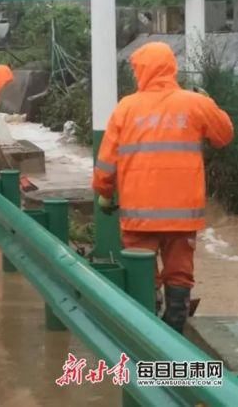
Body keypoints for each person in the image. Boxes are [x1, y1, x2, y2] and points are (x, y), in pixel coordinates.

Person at [92, 42, 234, 333]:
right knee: (179, 275)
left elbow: (106, 163)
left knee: (142, 272)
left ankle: (146, 335)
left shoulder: (126, 108)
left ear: (141, 71)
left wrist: (105, 193)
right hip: (181, 216)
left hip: (138, 215)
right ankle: (174, 339)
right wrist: (211, 104)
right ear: (171, 67)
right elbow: (224, 136)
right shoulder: (194, 104)